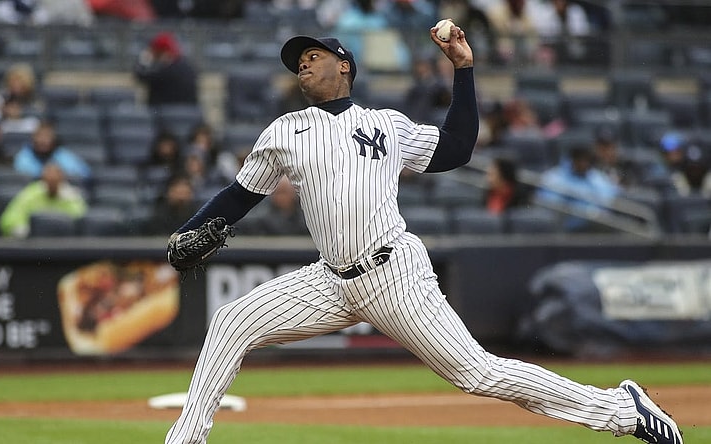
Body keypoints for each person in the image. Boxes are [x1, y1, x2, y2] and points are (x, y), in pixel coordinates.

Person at [163, 26, 682, 444]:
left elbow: (457, 147)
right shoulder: (283, 131)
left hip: (393, 274)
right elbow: (239, 196)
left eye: (313, 54)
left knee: (478, 374)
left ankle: (621, 409)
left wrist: (463, 69)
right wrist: (185, 234)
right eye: (297, 59)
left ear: (343, 64)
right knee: (232, 321)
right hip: (327, 282)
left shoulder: (386, 124)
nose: (302, 62)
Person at [536, 145, 620, 232]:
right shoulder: (553, 177)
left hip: (594, 225)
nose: (583, 163)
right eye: (579, 159)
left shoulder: (598, 178)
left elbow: (609, 202)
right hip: (564, 226)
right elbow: (550, 204)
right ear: (572, 159)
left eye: (586, 160)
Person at [0, 162, 88, 238]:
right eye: (49, 181)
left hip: (66, 246)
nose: (52, 184)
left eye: (55, 181)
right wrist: (23, 230)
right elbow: (9, 219)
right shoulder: (30, 193)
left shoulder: (71, 197)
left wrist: (67, 200)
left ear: (62, 180)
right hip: (34, 246)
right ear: (43, 179)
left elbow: (82, 221)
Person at [133, 31, 199, 106]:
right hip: (189, 115)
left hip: (167, 114)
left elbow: (141, 76)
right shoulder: (188, 66)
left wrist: (143, 60)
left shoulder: (167, 69)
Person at [13, 120, 91, 180]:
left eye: (47, 136)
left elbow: (84, 173)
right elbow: (23, 176)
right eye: (40, 136)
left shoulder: (63, 155)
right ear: (34, 138)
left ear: (54, 139)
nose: (43, 140)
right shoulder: (23, 156)